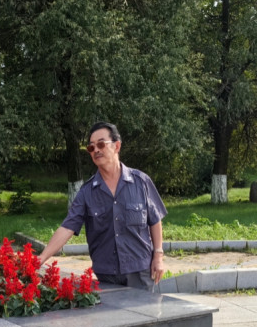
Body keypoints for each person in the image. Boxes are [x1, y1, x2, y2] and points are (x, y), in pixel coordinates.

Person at [38, 121, 166, 290]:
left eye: (101, 144)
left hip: (140, 271)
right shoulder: (87, 192)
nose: (96, 150)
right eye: (91, 147)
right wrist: (40, 259)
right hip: (106, 275)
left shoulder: (140, 182)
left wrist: (158, 256)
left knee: (147, 308)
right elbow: (68, 227)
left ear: (117, 146)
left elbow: (155, 220)